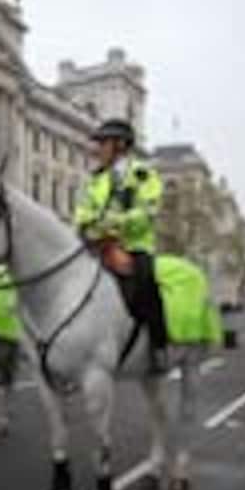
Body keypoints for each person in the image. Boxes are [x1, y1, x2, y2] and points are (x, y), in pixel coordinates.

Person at [74, 119, 168, 374]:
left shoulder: (142, 174)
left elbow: (149, 210)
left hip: (134, 245)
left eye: (103, 143)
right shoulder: (94, 180)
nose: (97, 149)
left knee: (147, 281)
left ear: (120, 145)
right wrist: (88, 227)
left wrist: (116, 224)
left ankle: (159, 347)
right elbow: (82, 212)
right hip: (98, 244)